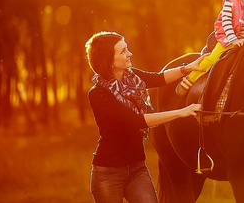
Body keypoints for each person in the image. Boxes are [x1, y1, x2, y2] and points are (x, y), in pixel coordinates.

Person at [85, 31, 205, 203]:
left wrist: (186, 68)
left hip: (137, 168)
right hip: (108, 173)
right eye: (123, 51)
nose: (129, 54)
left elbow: (158, 79)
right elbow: (137, 121)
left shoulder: (132, 78)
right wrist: (181, 112)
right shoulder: (98, 94)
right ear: (109, 61)